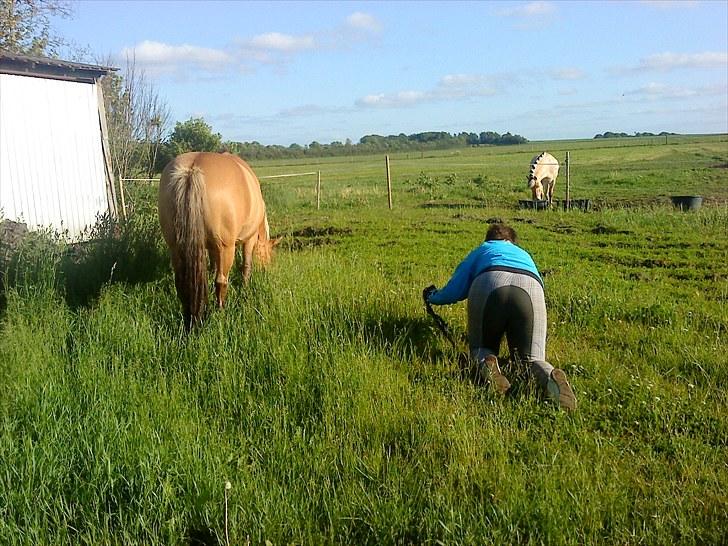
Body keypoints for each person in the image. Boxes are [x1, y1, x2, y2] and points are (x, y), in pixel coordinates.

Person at [423, 223, 576, 410]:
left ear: (488, 239)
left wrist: (433, 297)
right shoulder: (524, 254)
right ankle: (551, 377)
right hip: (531, 286)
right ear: (512, 241)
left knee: (481, 349)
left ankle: (489, 366)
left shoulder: (483, 250)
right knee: (532, 359)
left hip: (489, 280)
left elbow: (455, 289)